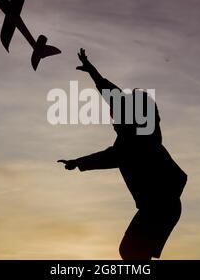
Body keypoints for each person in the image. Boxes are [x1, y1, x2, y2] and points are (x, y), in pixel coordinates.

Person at [58, 49, 187, 260]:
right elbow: (113, 96)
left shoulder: (139, 140)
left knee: (130, 251)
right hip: (163, 206)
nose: (113, 118)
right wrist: (93, 72)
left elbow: (108, 156)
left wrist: (78, 162)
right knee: (134, 253)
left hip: (161, 206)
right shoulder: (137, 138)